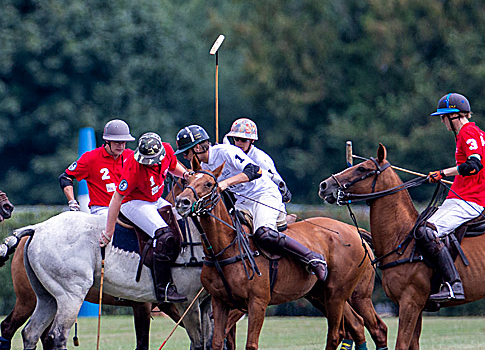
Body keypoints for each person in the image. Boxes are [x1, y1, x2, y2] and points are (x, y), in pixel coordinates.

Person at [175, 124, 328, 282]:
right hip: (243, 201)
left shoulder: (226, 151)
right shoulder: (204, 167)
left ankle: (313, 258)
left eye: (186, 152)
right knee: (230, 233)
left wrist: (225, 183)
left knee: (264, 234)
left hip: (264, 195)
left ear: (198, 147)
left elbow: (255, 170)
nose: (185, 157)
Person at [422, 93, 485, 302]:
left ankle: (454, 285)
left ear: (454, 116)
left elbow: (474, 166)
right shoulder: (478, 134)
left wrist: (442, 173)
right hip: (461, 198)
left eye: (443, 116)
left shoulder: (467, 133)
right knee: (422, 226)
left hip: (467, 202)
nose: (442, 121)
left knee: (427, 232)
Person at [99, 132, 190, 303]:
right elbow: (116, 199)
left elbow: (172, 165)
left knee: (185, 222)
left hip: (155, 199)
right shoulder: (134, 167)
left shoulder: (167, 150)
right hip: (134, 202)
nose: (150, 164)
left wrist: (185, 174)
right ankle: (162, 289)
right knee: (164, 236)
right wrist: (108, 233)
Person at [60, 119, 135, 215]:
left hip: (126, 207)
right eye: (117, 142)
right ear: (107, 141)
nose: (120, 146)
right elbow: (65, 178)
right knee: (115, 226)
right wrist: (72, 202)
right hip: (102, 209)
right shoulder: (90, 158)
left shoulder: (131, 156)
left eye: (123, 142)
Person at [224, 117, 292, 203]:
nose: (239, 143)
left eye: (244, 140)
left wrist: (283, 190)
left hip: (259, 200)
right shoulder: (229, 154)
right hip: (237, 199)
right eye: (236, 139)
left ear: (252, 140)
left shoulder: (261, 159)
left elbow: (276, 181)